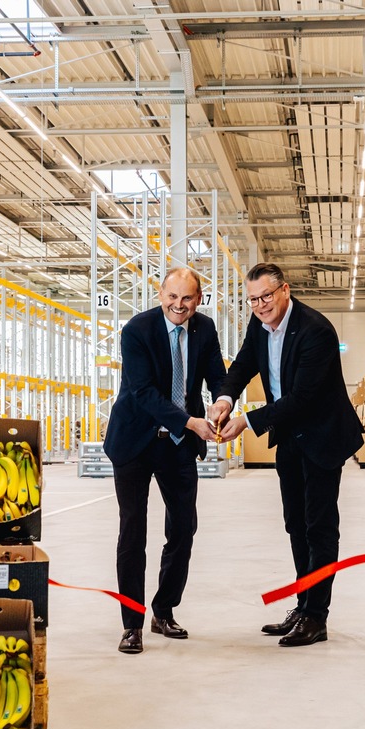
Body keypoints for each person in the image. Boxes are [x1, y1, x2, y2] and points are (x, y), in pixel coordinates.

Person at [212, 263, 364, 647]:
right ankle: (303, 603)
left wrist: (247, 420)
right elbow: (245, 363)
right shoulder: (259, 325)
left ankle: (317, 617)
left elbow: (303, 398)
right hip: (290, 435)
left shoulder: (316, 331)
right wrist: (225, 398)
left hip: (322, 436)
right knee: (295, 524)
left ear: (285, 290)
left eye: (266, 296)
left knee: (319, 526)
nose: (260, 305)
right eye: (253, 300)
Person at [103, 267, 227, 655]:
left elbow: (217, 375)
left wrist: (223, 401)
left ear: (198, 299)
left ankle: (163, 610)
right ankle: (131, 624)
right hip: (136, 441)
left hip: (177, 445)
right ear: (160, 294)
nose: (178, 305)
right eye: (172, 297)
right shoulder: (137, 330)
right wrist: (190, 421)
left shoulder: (204, 330)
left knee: (184, 529)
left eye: (187, 298)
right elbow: (141, 391)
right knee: (132, 533)